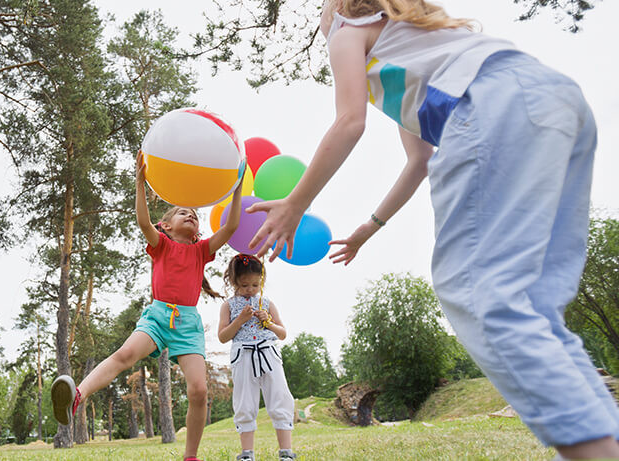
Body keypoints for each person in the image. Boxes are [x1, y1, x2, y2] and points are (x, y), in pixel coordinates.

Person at [247, 0, 619, 458]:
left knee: (476, 289)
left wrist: (295, 203)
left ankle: (593, 450)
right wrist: (367, 229)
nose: (320, 22)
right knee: (532, 303)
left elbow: (349, 121)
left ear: (340, 9)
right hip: (558, 100)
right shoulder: (414, 49)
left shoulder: (347, 29)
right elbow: (419, 161)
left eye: (321, 12)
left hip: (485, 107)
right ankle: (604, 441)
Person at [51, 152, 242, 461]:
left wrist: (234, 189)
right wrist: (140, 182)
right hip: (158, 315)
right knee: (124, 355)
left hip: (188, 323)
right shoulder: (161, 244)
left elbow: (231, 227)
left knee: (199, 391)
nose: (191, 214)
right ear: (165, 226)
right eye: (182, 212)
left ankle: (190, 456)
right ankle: (76, 397)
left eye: (194, 213)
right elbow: (142, 220)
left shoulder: (201, 251)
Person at [217, 254, 297, 461]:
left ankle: (286, 451)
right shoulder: (228, 305)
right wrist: (240, 320)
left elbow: (282, 333)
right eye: (245, 285)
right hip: (242, 354)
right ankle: (247, 454)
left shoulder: (267, 302)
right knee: (245, 401)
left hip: (268, 352)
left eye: (255, 284)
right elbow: (223, 337)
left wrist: (268, 322)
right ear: (233, 282)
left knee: (279, 396)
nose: (250, 290)